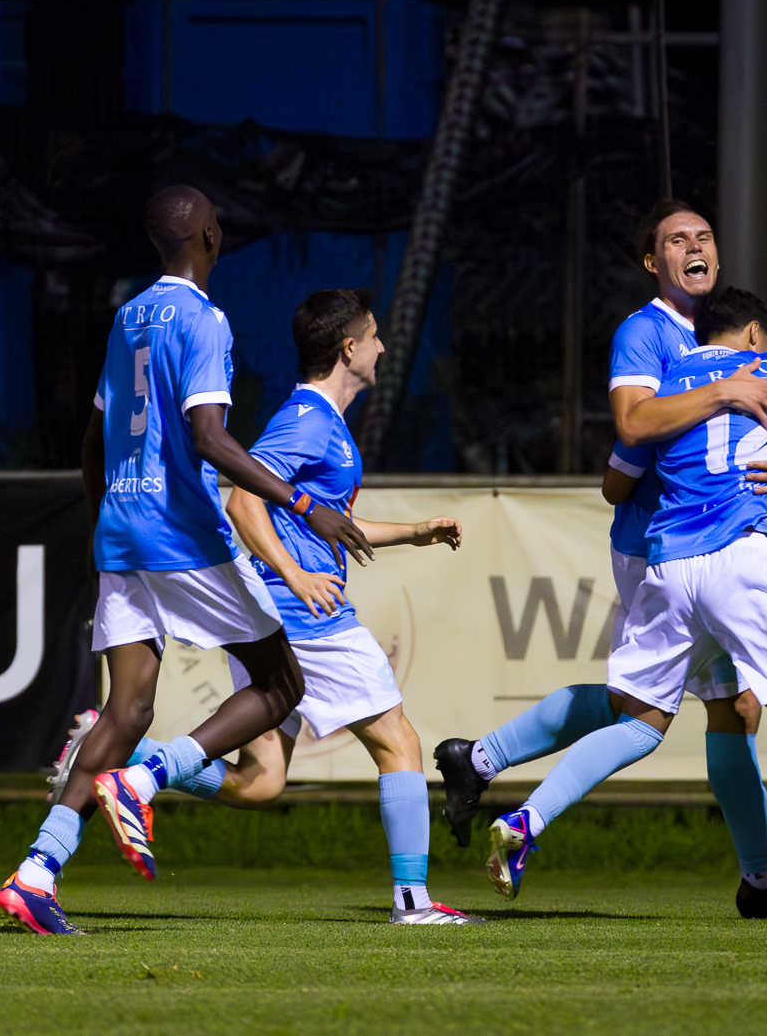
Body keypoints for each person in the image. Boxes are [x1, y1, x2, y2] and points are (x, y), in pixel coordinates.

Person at [483, 286, 767, 923]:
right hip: (737, 558)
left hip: (668, 567)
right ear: (754, 332)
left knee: (644, 721)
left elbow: (618, 480)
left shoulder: (667, 388)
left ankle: (527, 819)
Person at [434, 199, 767, 920]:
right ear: (653, 262)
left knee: (718, 706)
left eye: (703, 235)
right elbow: (630, 427)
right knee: (654, 714)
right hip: (663, 544)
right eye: (676, 239)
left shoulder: (715, 338)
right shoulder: (645, 331)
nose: (695, 245)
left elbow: (755, 435)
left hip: (699, 544)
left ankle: (484, 762)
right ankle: (762, 880)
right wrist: (723, 391)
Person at [0, 187, 372, 937]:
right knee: (282, 683)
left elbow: (93, 441)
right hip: (180, 532)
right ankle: (141, 781)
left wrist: (107, 526)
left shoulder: (127, 317)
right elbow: (210, 438)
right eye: (217, 221)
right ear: (207, 234)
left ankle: (36, 874)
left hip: (122, 529)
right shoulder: (205, 319)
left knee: (127, 709)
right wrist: (307, 507)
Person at [58, 289, 483, 925]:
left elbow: (321, 521)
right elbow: (245, 500)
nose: (383, 347)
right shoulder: (308, 419)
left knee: (260, 783)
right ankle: (412, 902)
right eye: (374, 336)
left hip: (279, 614)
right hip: (307, 617)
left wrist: (413, 531)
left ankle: (131, 763)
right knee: (399, 742)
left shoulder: (322, 421)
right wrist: (296, 575)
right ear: (349, 349)